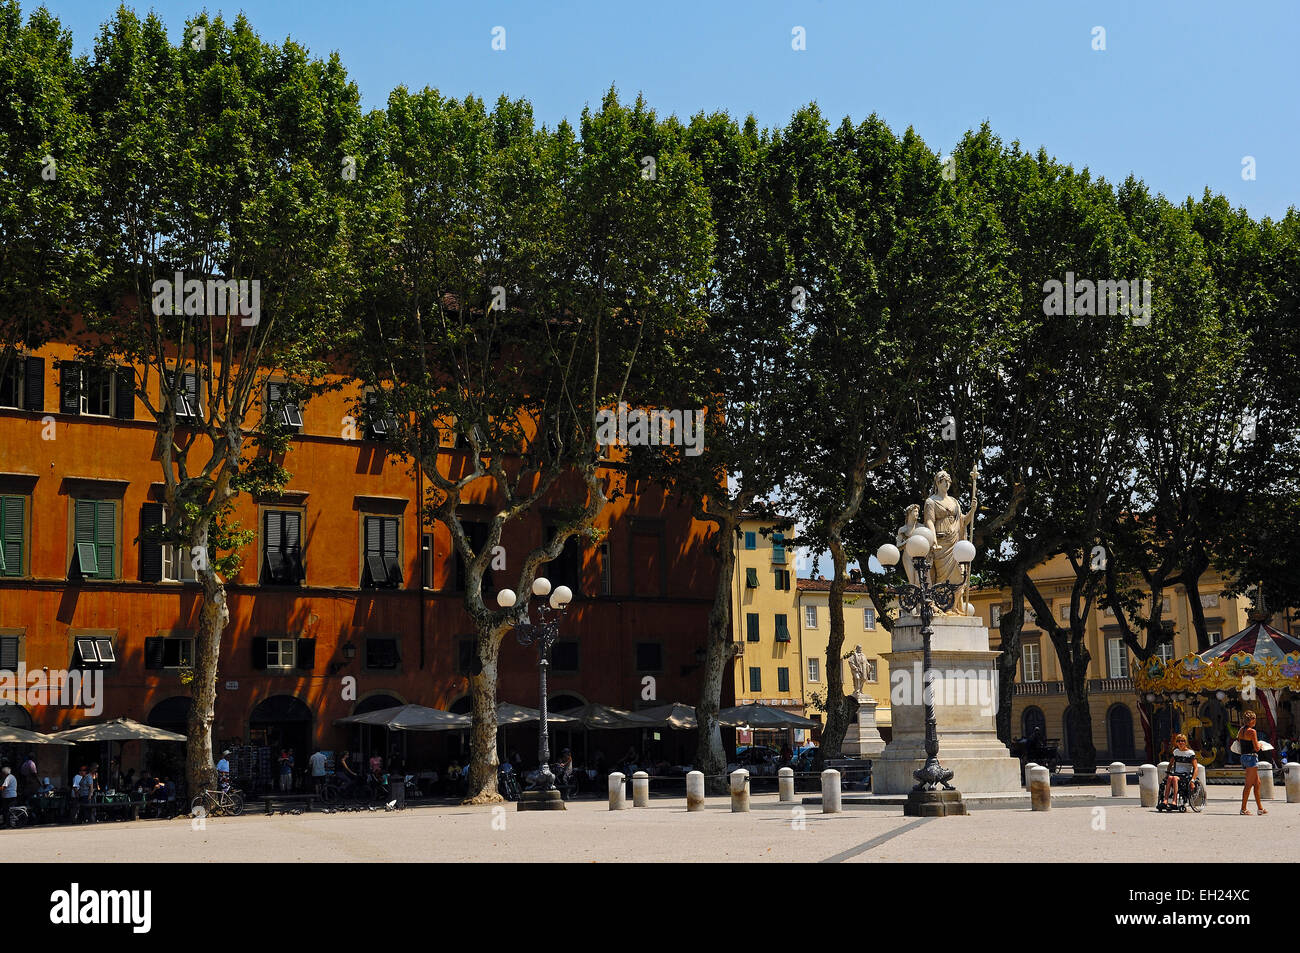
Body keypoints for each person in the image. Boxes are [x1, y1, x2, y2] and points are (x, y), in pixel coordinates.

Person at [1239, 710, 1267, 815]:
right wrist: (1260, 745)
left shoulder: (1241, 730)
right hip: (1251, 758)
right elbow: (1256, 748)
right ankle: (1243, 809)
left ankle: (1260, 808)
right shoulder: (1252, 731)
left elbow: (1239, 741)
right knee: (1248, 784)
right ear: (1252, 720)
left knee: (1257, 783)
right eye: (1254, 719)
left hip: (1244, 757)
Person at [1164, 733, 1198, 806]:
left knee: (1174, 778)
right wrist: (1167, 773)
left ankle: (1174, 800)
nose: (1180, 742)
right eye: (1178, 741)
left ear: (1185, 742)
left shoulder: (1190, 753)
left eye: (1182, 741)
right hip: (1176, 773)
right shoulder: (1176, 752)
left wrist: (1192, 780)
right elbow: (1170, 764)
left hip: (1185, 775)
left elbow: (1195, 768)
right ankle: (1165, 800)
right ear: (1176, 742)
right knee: (1170, 777)